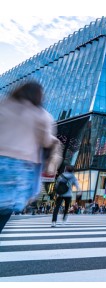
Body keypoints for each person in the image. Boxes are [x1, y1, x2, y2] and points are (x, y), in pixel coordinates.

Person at [0, 81, 60, 234]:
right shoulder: (41, 115)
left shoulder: (3, 104)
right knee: (4, 208)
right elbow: (46, 141)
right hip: (19, 168)